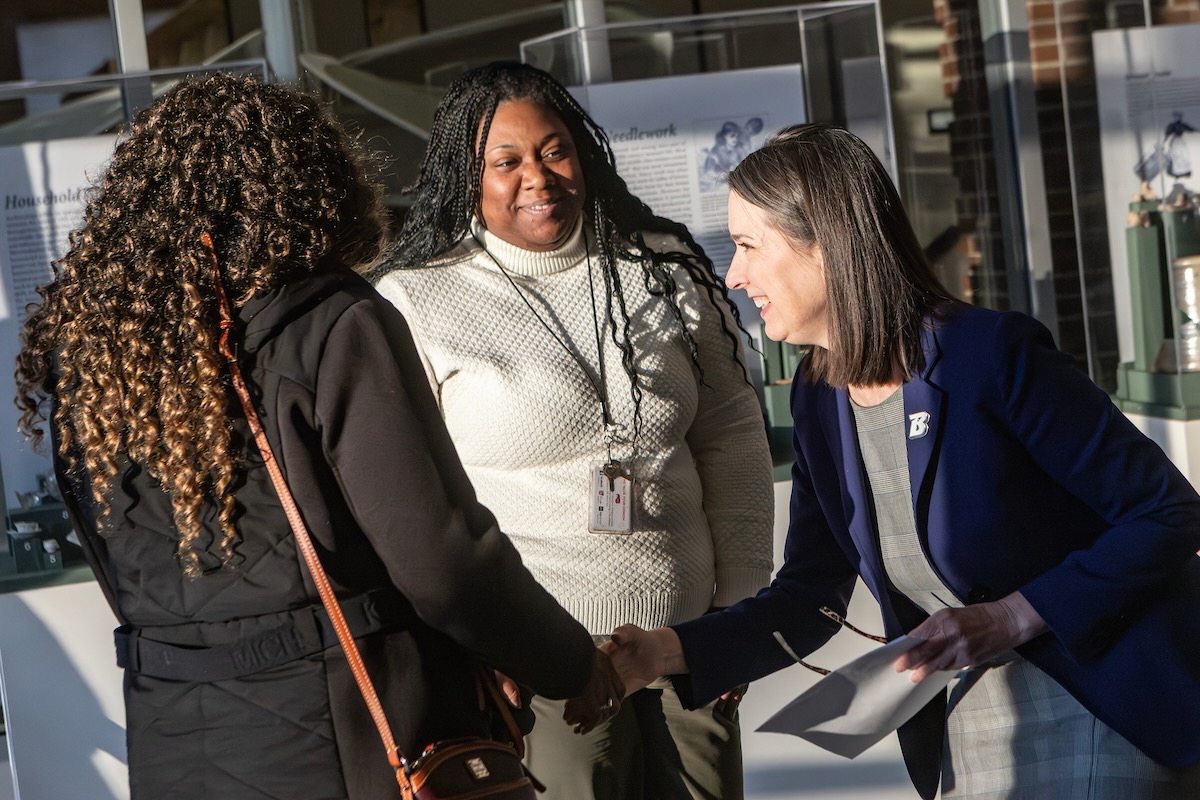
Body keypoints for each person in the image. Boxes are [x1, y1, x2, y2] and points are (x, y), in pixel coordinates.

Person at [14, 72, 622, 799]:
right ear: (308, 184)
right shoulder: (331, 324)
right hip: (350, 738)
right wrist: (571, 666)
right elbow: (444, 563)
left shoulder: (100, 355)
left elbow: (115, 567)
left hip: (173, 746)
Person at [582, 123, 1200, 799]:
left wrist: (1013, 616)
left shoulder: (989, 357)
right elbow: (809, 599)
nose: (734, 274)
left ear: (824, 244)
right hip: (964, 734)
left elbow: (1166, 513)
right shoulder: (821, 403)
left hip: (1098, 705)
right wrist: (663, 652)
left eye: (749, 246)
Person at [368, 61, 774, 800]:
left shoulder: (662, 267)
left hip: (689, 645)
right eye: (507, 160)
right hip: (541, 663)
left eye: (554, 150)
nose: (538, 177)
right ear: (468, 177)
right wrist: (474, 648)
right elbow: (417, 507)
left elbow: (732, 434)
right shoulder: (416, 301)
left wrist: (740, 611)